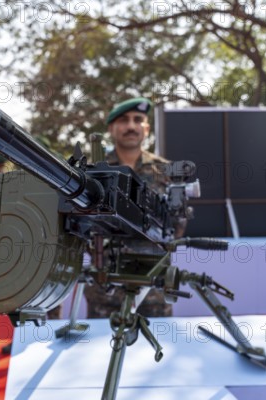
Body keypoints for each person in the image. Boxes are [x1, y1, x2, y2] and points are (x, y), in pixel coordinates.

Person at [84, 97, 183, 319]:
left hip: (153, 289)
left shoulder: (166, 170)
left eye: (137, 120)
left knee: (155, 349)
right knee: (100, 351)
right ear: (111, 128)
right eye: (123, 120)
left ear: (146, 128)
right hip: (105, 290)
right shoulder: (91, 172)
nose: (130, 126)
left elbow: (177, 225)